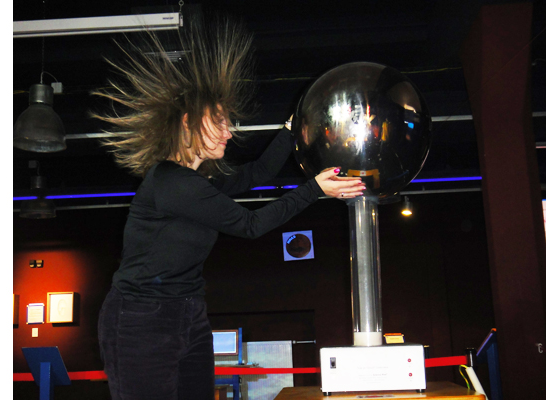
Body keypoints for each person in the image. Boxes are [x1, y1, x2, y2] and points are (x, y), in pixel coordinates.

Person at [91, 18, 365, 400]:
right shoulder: (171, 183)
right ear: (188, 123)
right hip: (141, 318)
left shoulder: (198, 182)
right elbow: (250, 225)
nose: (228, 132)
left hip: (189, 312)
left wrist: (291, 129)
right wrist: (314, 189)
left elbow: (257, 173)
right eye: (219, 122)